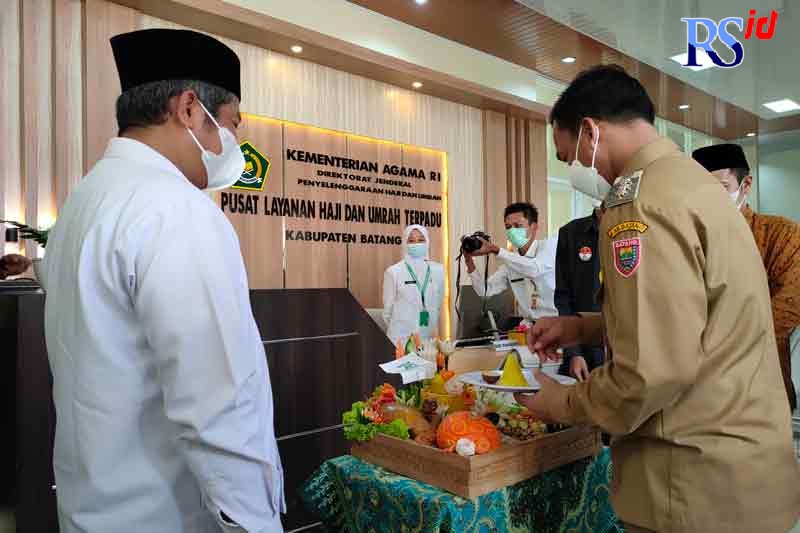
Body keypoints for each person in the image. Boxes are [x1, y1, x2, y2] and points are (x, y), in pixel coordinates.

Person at [515, 65, 799, 532]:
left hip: (690, 485)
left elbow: (651, 373)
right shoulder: (696, 186)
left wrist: (560, 403)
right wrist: (583, 327)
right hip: (747, 473)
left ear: (591, 130)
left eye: (569, 157)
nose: (576, 171)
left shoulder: (638, 206)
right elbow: (691, 315)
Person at [40, 29, 284, 532]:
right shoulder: (175, 210)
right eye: (229, 126)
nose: (228, 146)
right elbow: (220, 407)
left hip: (94, 508)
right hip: (167, 516)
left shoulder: (85, 201)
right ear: (189, 109)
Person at [692, 143, 800, 411]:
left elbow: (789, 305)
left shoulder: (780, 235)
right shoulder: (688, 240)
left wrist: (713, 337)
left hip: (761, 389)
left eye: (720, 188)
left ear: (746, 185)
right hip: (697, 394)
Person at [466, 202, 557, 326]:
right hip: (528, 327)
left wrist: (496, 250)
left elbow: (534, 269)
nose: (512, 231)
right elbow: (485, 291)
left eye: (518, 225)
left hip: (555, 324)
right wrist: (469, 261)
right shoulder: (510, 262)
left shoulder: (548, 247)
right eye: (508, 227)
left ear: (534, 227)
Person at [554, 208, 604, 381]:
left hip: (625, 355)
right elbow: (563, 298)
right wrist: (573, 352)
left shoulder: (638, 230)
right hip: (582, 355)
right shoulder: (571, 233)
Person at [382, 224, 445, 344]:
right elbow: (387, 313)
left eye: (421, 240)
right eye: (411, 240)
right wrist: (402, 326)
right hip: (399, 339)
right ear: (405, 244)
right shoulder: (393, 272)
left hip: (427, 339)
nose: (417, 244)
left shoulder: (438, 270)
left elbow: (438, 304)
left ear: (427, 242)